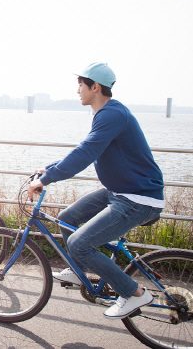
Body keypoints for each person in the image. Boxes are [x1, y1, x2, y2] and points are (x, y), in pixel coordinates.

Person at [27, 62, 164, 320]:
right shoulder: (106, 113)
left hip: (137, 198)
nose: (77, 90)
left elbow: (86, 153)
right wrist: (49, 168)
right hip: (120, 191)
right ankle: (78, 269)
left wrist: (48, 179)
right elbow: (86, 148)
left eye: (80, 84)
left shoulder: (112, 114)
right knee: (67, 218)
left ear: (95, 86)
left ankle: (133, 293)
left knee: (79, 244)